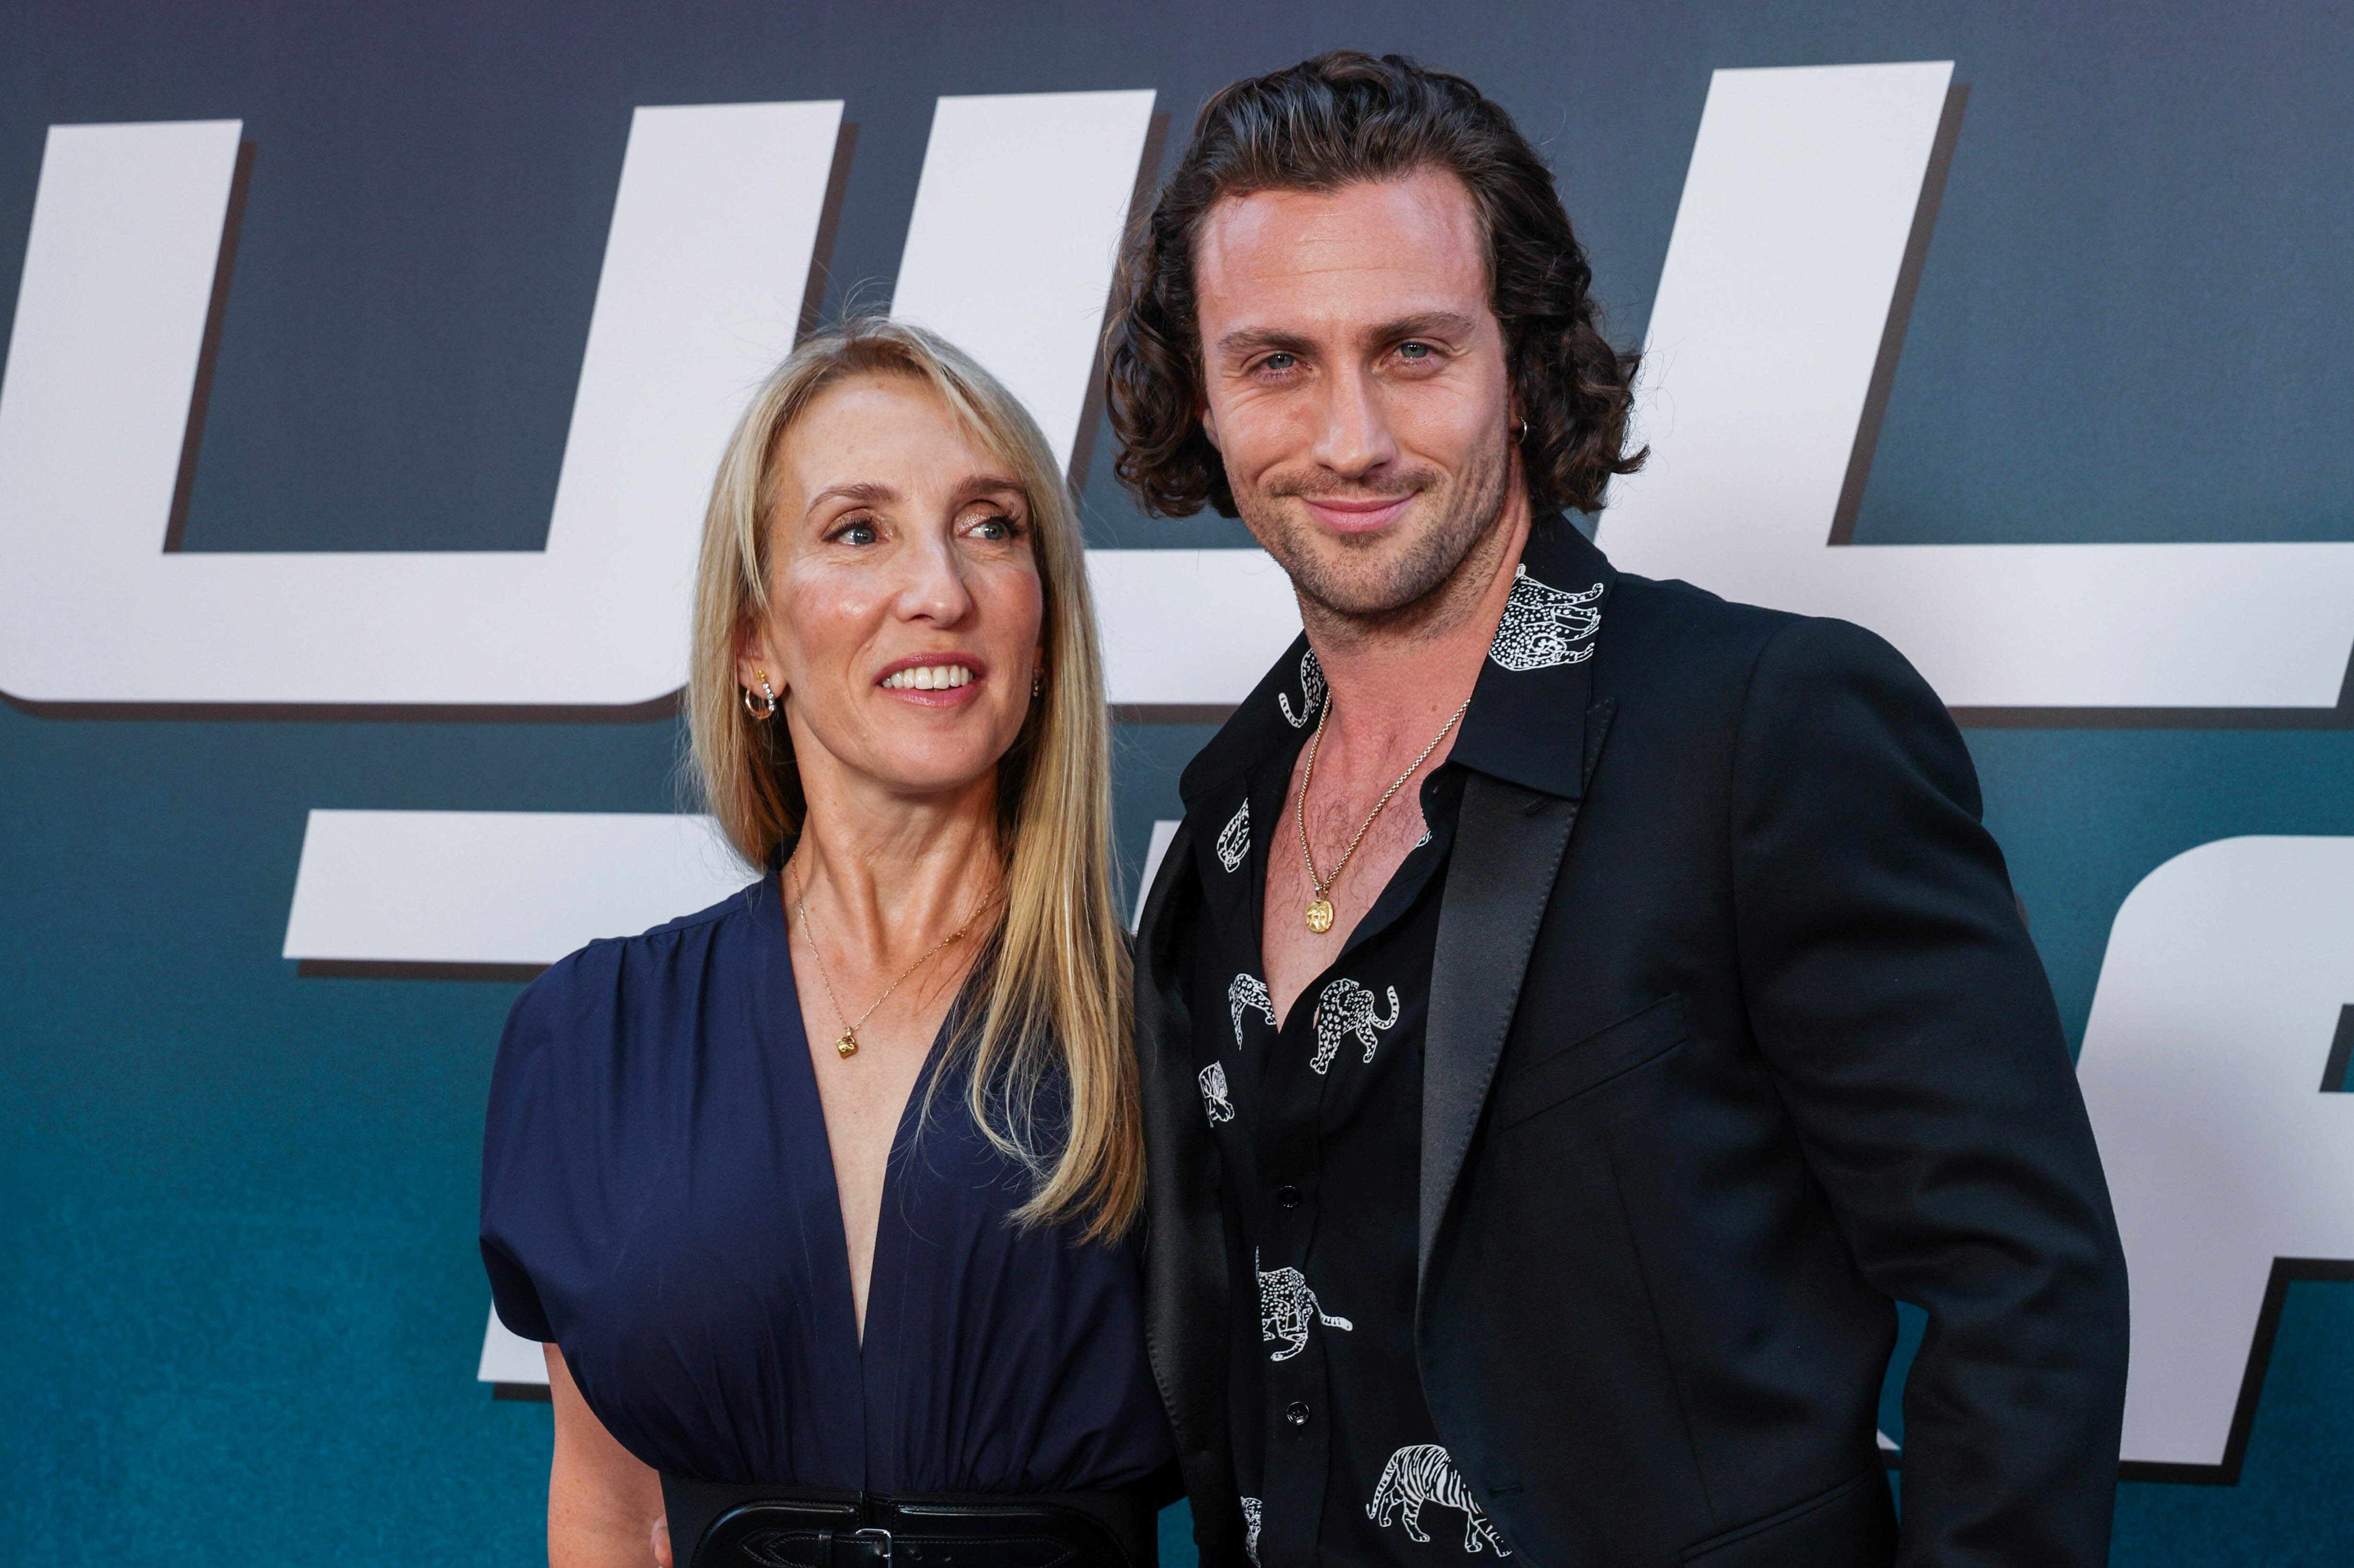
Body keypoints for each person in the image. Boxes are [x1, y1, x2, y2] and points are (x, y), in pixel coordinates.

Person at [1106, 51, 2128, 1568]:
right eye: (1275, 362)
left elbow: (2023, 1288)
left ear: (1519, 360)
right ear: (1200, 391)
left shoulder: (1758, 725)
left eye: (1411, 349)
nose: (1347, 438)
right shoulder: (1225, 817)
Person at [479, 317, 1173, 1568]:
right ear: (755, 640)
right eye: (859, 530)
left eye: (991, 526)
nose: (939, 590)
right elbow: (604, 1508)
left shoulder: (1178, 1028)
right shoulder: (593, 1039)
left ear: (1043, 624)